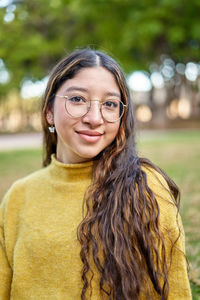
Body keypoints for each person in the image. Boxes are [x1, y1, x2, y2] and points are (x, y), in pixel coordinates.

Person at [0, 48, 192, 300]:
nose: (94, 118)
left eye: (110, 104)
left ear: (121, 117)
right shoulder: (19, 196)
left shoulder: (146, 187)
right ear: (49, 111)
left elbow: (174, 292)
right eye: (77, 99)